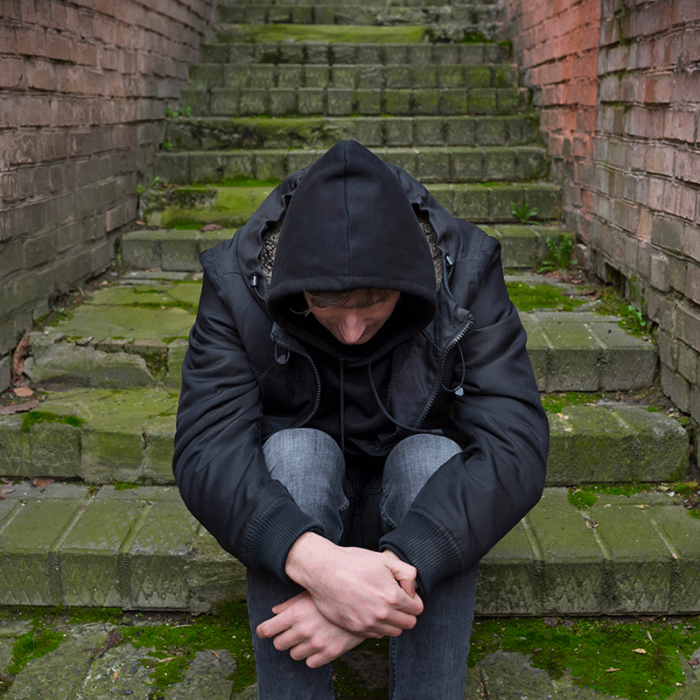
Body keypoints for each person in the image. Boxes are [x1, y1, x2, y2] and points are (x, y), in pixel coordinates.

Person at [173, 140, 549, 699]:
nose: (351, 331)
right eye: (328, 308)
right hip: (301, 512)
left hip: (413, 511)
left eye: (373, 308)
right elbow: (206, 449)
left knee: (432, 458)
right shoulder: (237, 283)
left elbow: (515, 445)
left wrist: (402, 565)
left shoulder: (464, 268)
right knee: (297, 453)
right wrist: (317, 564)